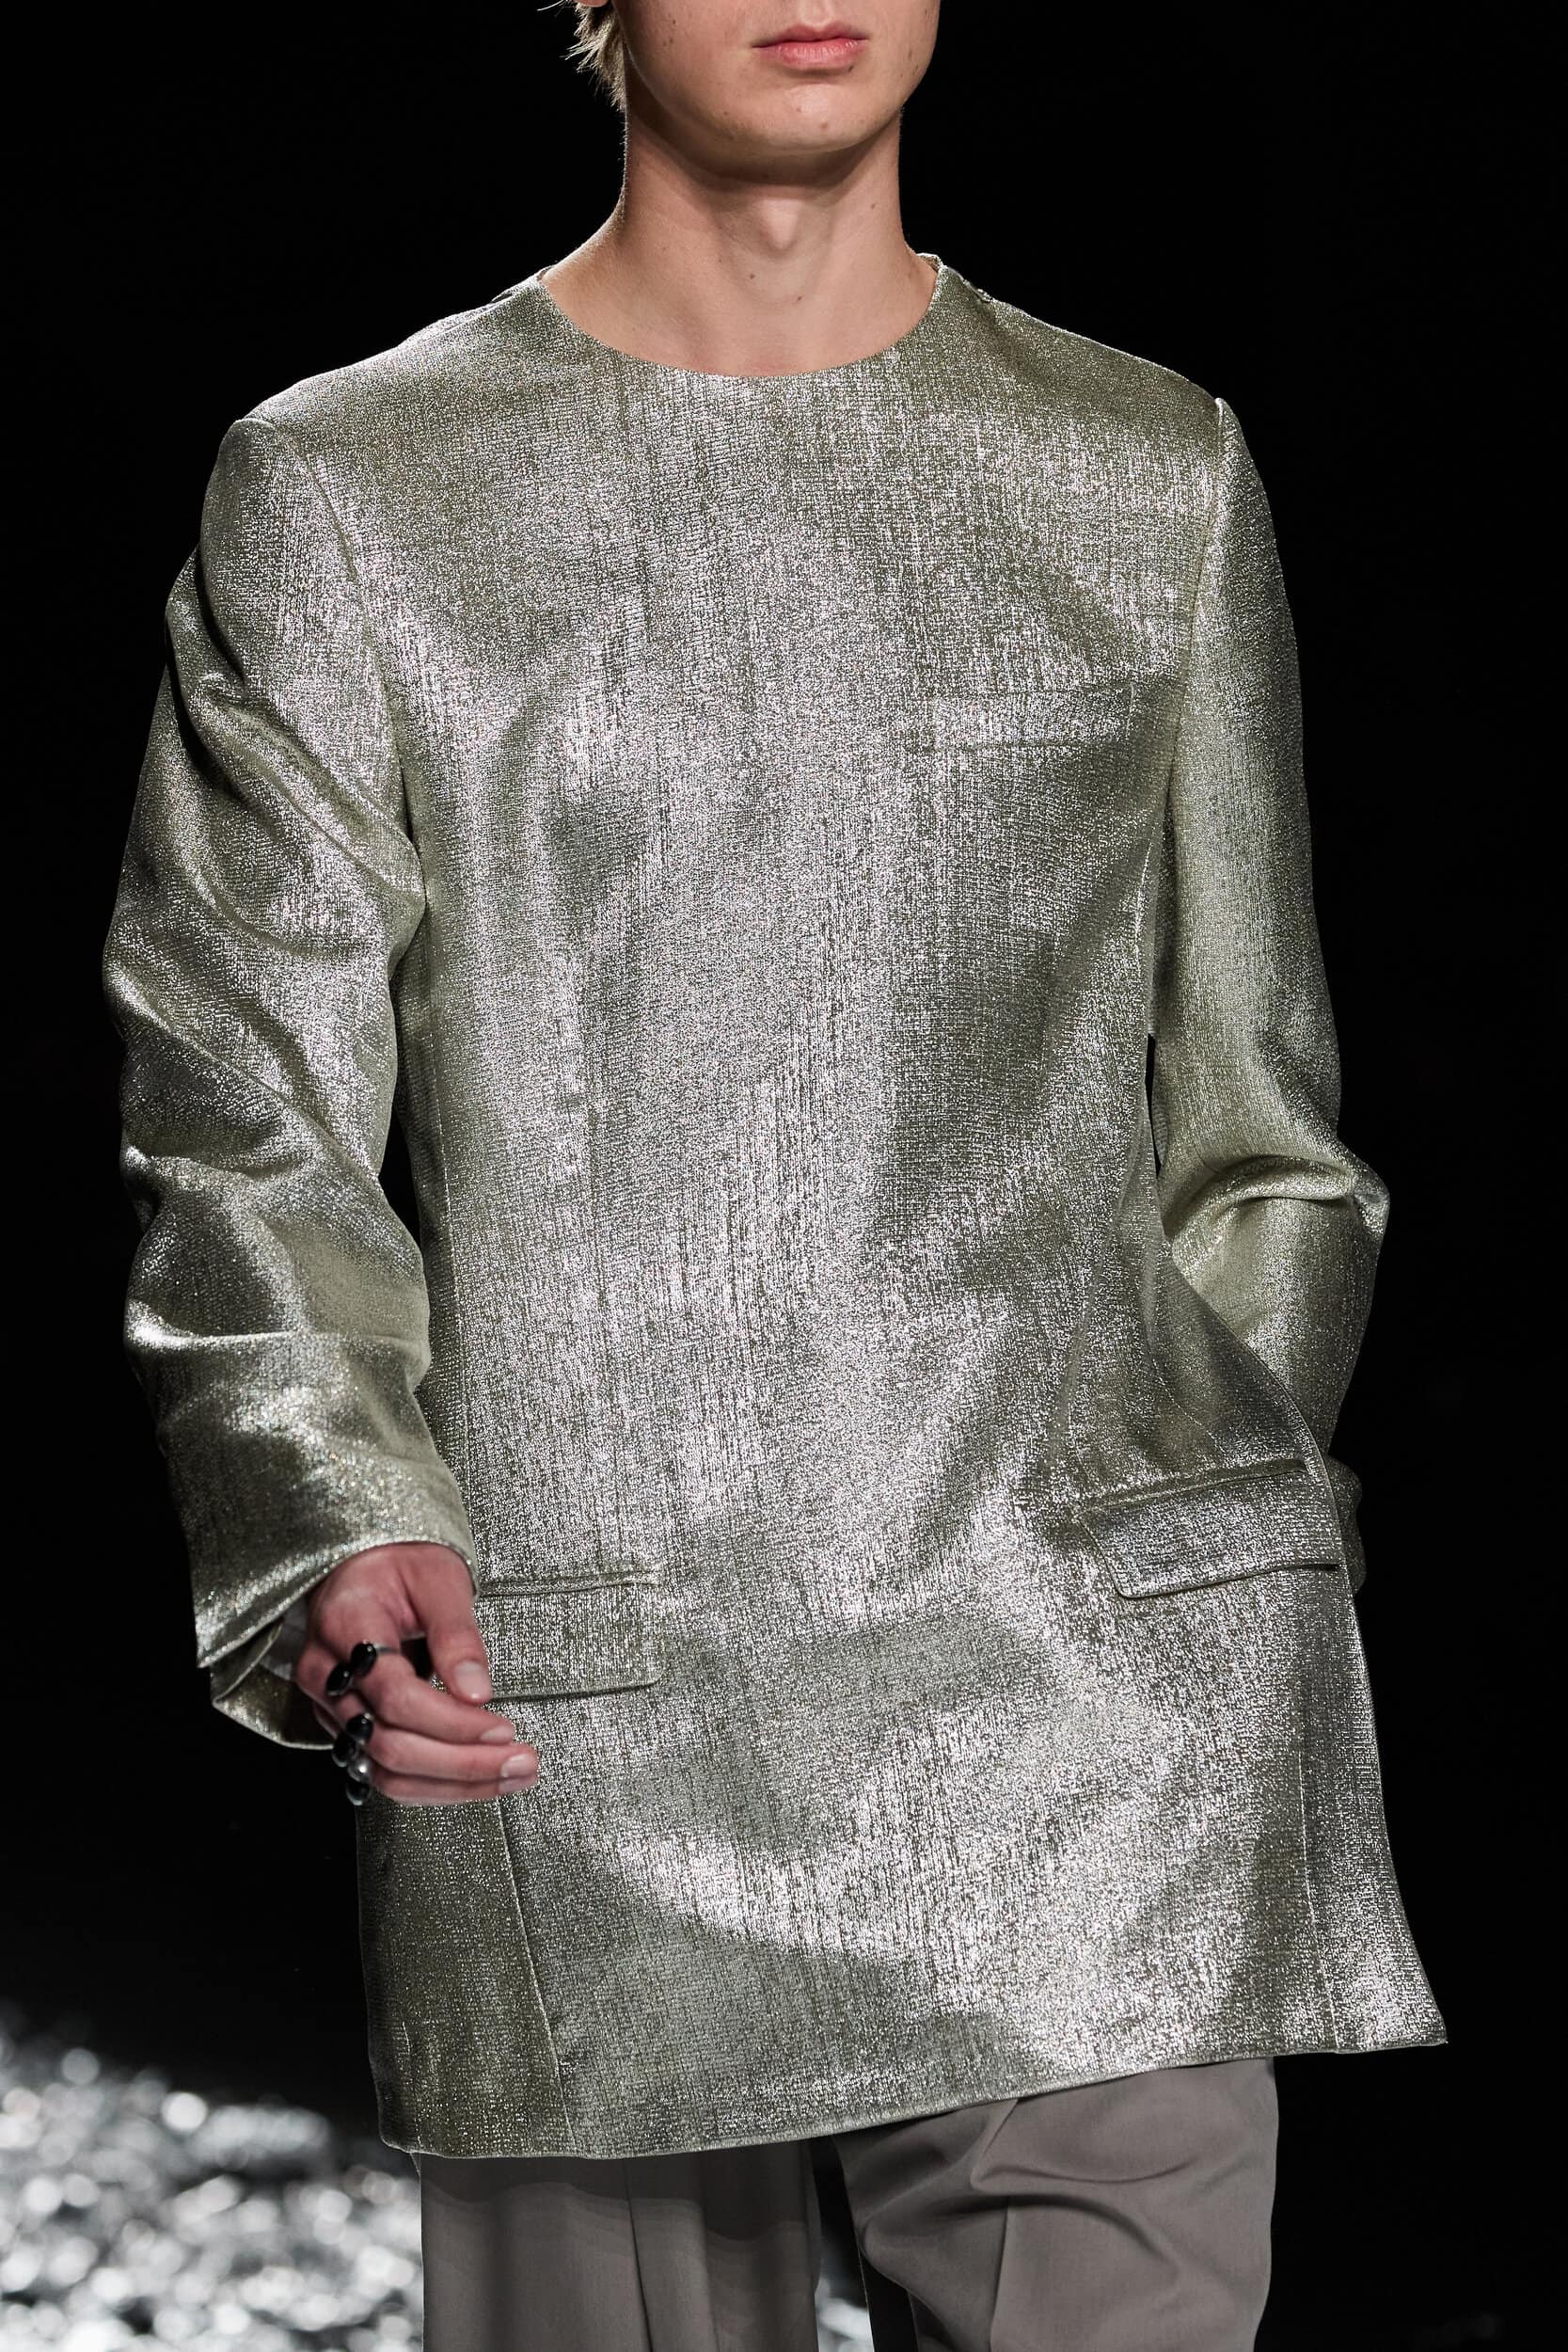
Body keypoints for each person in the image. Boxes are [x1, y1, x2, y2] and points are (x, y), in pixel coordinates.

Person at [101, 4, 1446, 2345]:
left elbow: (1261, 1120)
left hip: (1094, 1708)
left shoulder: (1144, 465)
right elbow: (242, 1085)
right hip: (578, 1693)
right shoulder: (353, 488)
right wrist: (331, 1503)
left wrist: (1220, 1542)